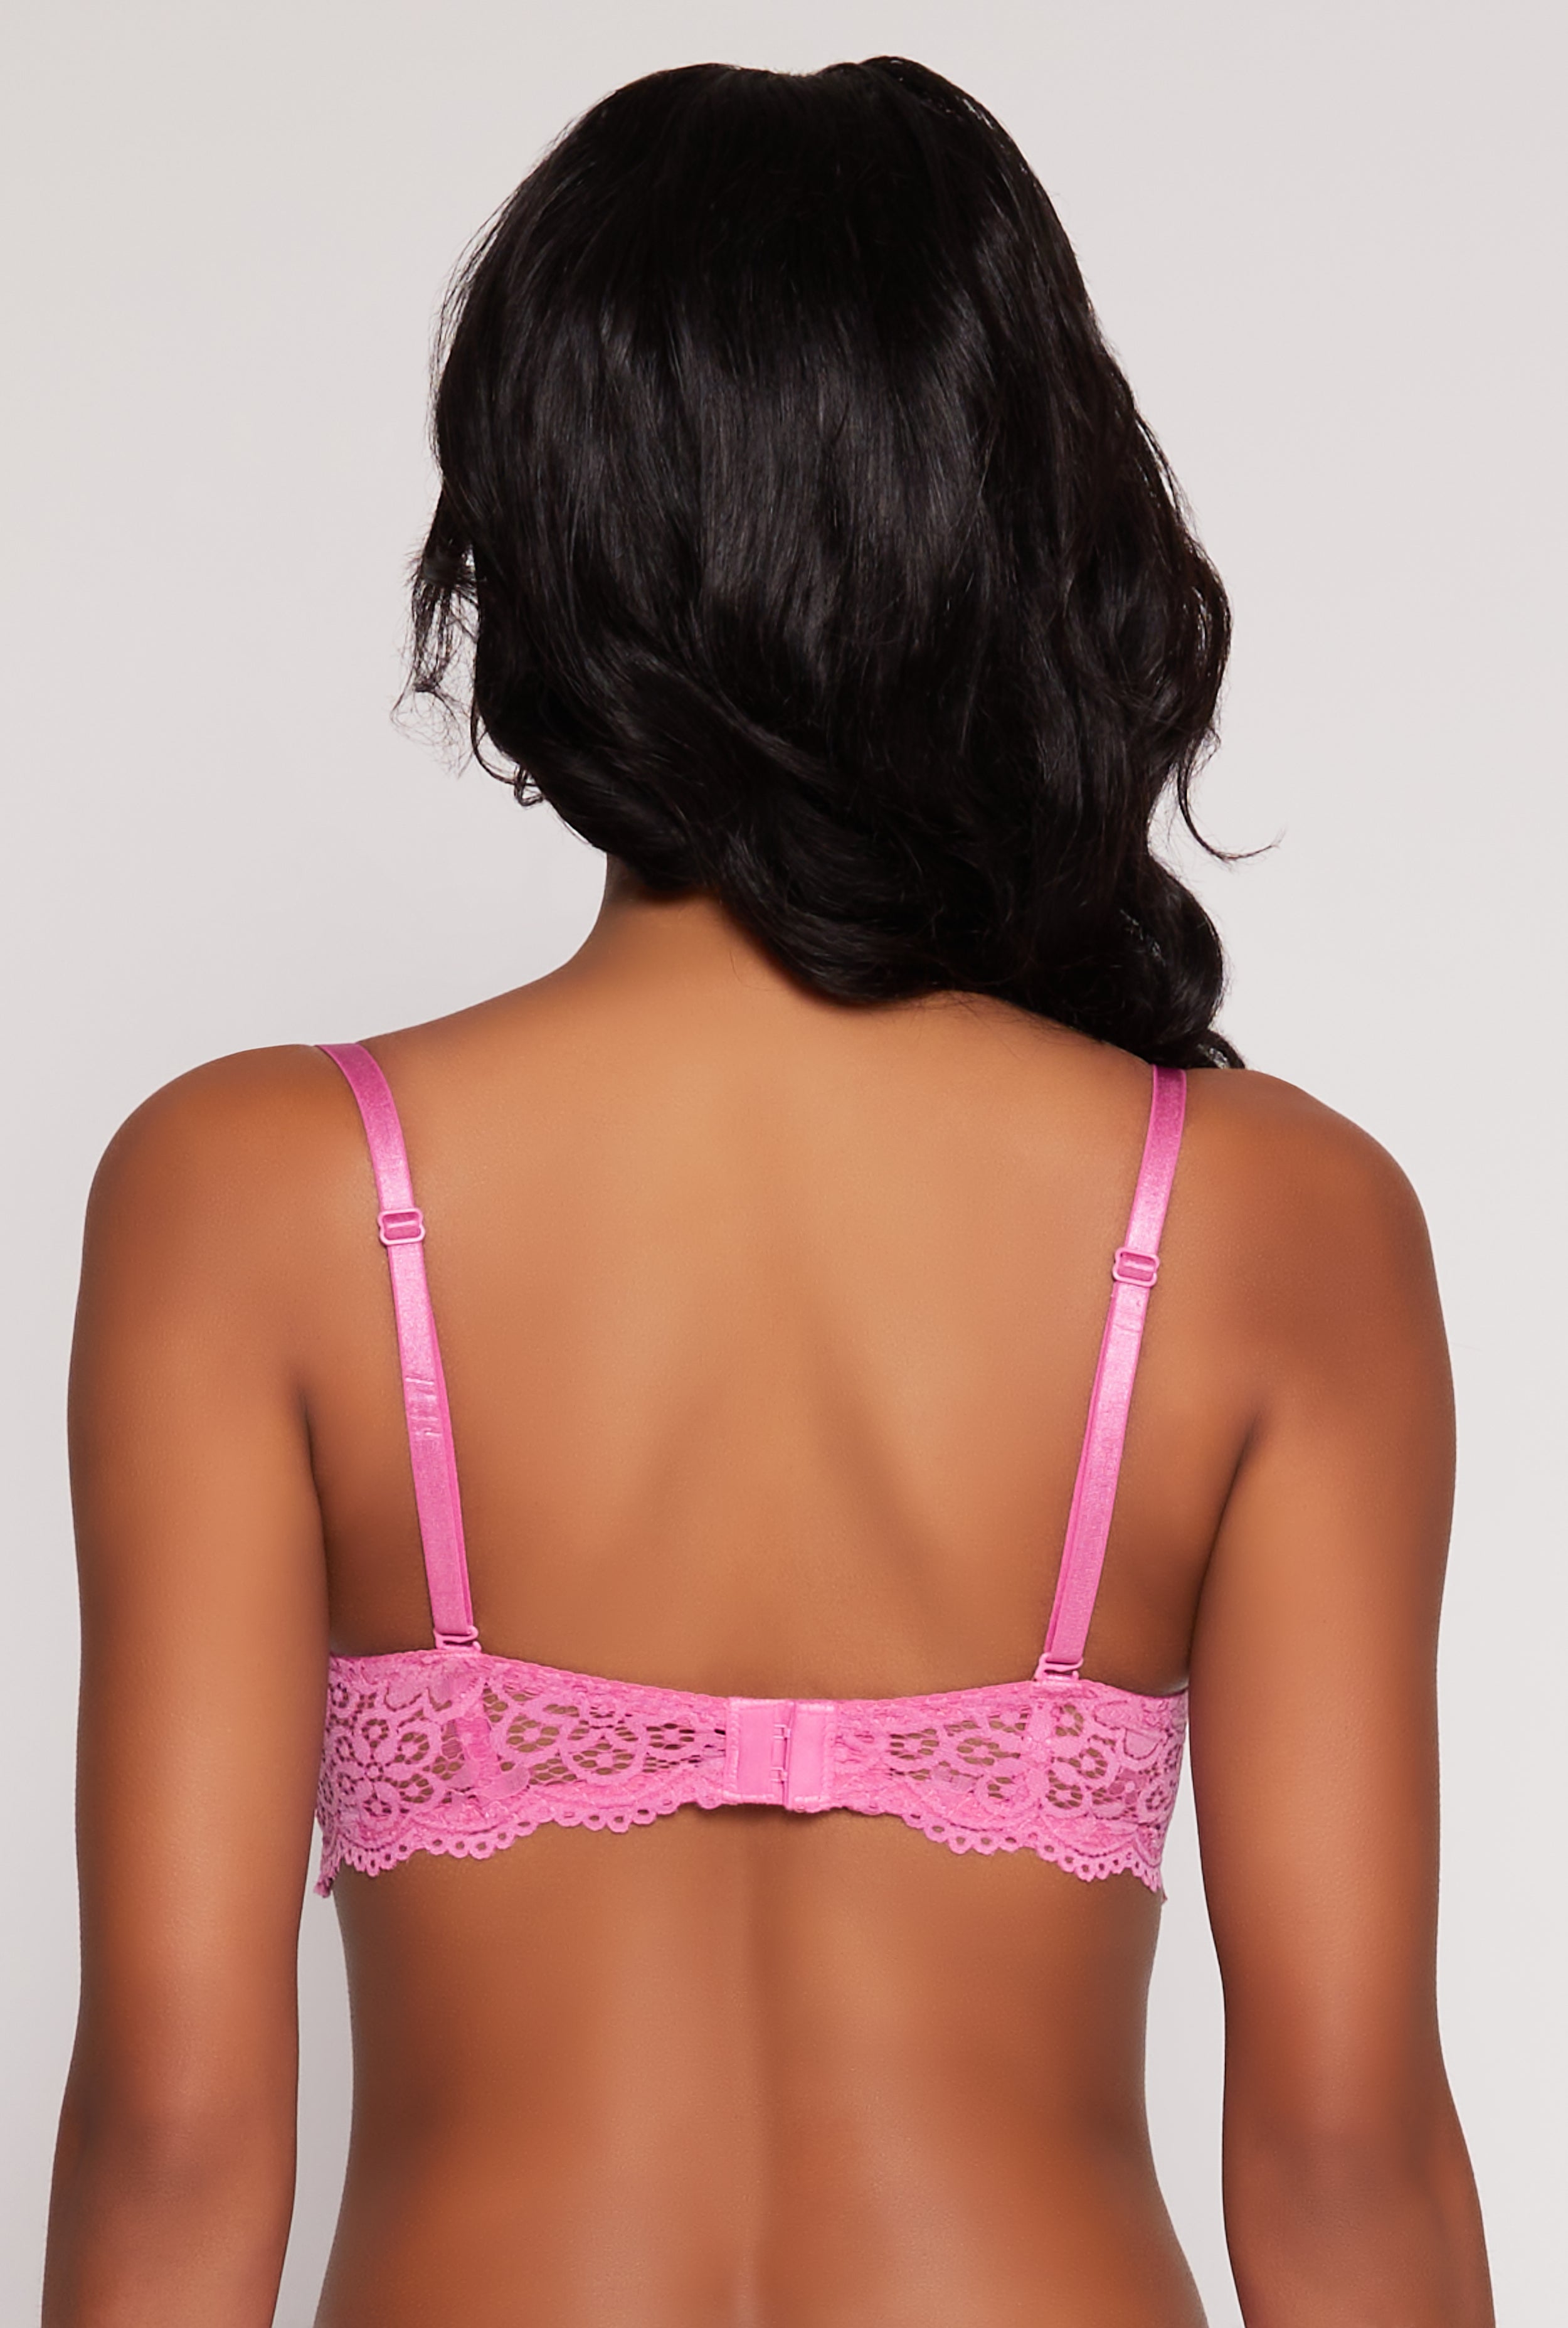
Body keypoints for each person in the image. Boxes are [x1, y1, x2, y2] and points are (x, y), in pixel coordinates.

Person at [43, 56, 1492, 2328]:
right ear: (1017, 531)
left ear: (530, 536)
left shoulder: (252, 1197)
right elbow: (1344, 2164)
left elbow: (176, 2144)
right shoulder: (1266, 1225)